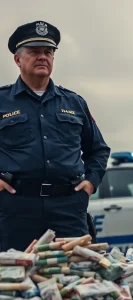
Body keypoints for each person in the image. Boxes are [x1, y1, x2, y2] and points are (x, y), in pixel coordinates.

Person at [0, 20, 111, 251]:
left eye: (48, 52)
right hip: (16, 208)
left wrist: (91, 182)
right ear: (17, 59)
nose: (43, 57)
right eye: (34, 52)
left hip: (68, 207)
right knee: (14, 280)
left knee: (76, 279)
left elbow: (98, 150)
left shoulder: (74, 102)